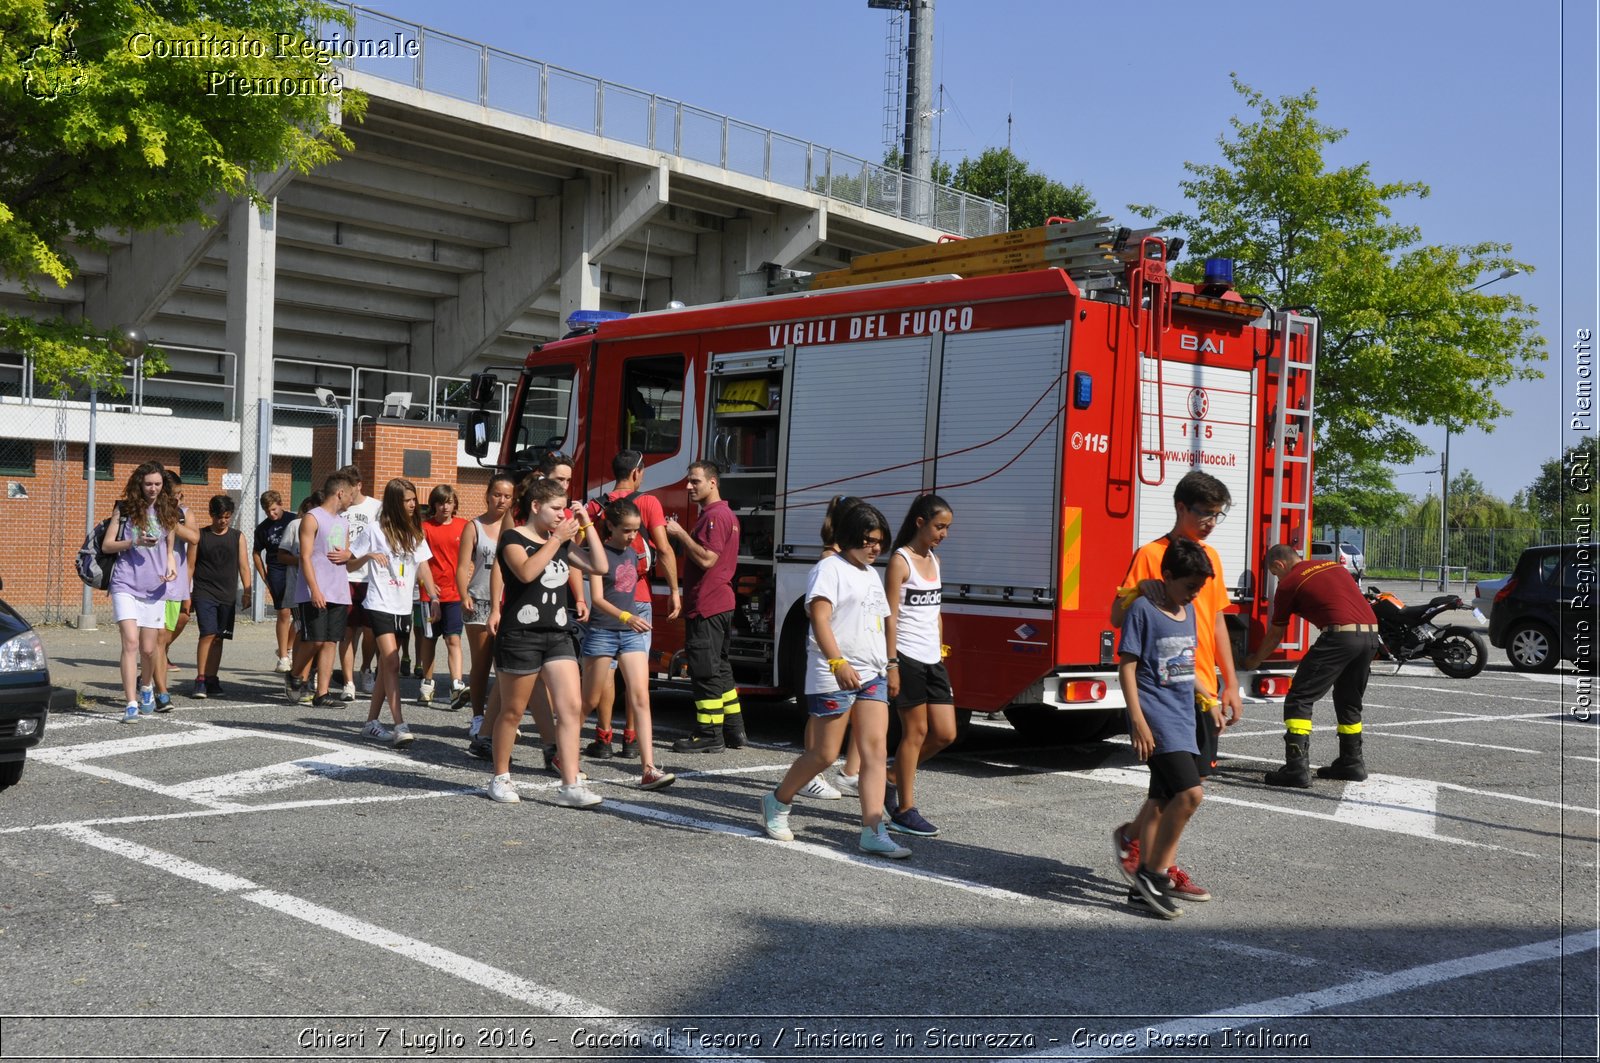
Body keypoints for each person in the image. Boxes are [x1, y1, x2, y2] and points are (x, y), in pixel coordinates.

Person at [1108, 470, 1240, 900]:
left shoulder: (1210, 559)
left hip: (1197, 690)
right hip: (1163, 693)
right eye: (1204, 513)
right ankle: (1157, 867)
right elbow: (1117, 615)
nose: (1210, 522)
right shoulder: (1152, 554)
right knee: (1181, 790)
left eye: (1217, 515)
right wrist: (1135, 595)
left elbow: (1217, 620)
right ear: (1181, 507)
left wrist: (1228, 683)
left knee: (1170, 790)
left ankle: (1138, 844)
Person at [758, 503, 908, 858]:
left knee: (875, 753)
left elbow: (884, 622)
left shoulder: (871, 573)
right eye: (868, 540)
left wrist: (891, 663)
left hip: (872, 673)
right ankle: (777, 802)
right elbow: (820, 620)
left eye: (880, 542)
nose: (875, 548)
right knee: (824, 753)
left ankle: (873, 829)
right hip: (834, 673)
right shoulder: (829, 569)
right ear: (849, 537)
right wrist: (837, 661)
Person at [484, 477, 607, 807]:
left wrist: (587, 524)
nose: (561, 514)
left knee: (569, 708)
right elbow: (526, 572)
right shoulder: (512, 538)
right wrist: (556, 540)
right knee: (512, 711)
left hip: (558, 634)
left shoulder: (564, 542)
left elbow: (600, 565)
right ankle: (500, 777)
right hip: (520, 635)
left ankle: (570, 784)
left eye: (564, 508)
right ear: (536, 507)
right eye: (555, 508)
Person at [1114, 537, 1215, 919]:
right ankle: (1152, 875)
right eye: (1189, 586)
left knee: (1160, 800)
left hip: (1183, 716)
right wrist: (1137, 721)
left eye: (1199, 588)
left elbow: (1184, 664)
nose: (1194, 595)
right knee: (1190, 794)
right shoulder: (1144, 609)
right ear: (1167, 576)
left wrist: (1208, 697)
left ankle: (1141, 880)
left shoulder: (1185, 611)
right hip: (1156, 717)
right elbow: (1127, 666)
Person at [1243, 543, 1382, 787]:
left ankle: (1296, 769)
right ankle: (1352, 763)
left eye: (1275, 574)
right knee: (1349, 700)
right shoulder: (1332, 566)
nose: (1278, 579)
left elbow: (1276, 634)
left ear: (1279, 564)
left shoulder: (1288, 584)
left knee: (1300, 697)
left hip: (1340, 637)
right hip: (1371, 636)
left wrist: (1253, 660)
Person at [580, 449, 682, 758]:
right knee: (638, 679)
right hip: (638, 598)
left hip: (604, 597)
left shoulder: (598, 505)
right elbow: (663, 549)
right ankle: (631, 739)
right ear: (637, 473)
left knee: (606, 674)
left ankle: (603, 737)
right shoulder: (648, 502)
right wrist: (675, 590)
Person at [882, 494, 957, 837]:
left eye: (947, 528)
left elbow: (936, 610)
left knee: (945, 733)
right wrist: (892, 662)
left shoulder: (935, 560)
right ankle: (904, 808)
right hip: (907, 656)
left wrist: (940, 648)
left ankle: (892, 776)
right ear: (920, 522)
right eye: (939, 527)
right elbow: (891, 616)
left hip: (932, 658)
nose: (944, 534)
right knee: (916, 732)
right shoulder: (901, 560)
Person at [349, 478, 441, 746]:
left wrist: (433, 596)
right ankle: (400, 724)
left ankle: (370, 723)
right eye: (408, 500)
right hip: (378, 603)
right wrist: (367, 558)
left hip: (403, 605)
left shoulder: (415, 532)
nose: (414, 505)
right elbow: (348, 563)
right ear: (394, 502)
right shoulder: (374, 530)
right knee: (390, 662)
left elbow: (423, 567)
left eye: (414, 500)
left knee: (387, 666)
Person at [664, 460, 743, 754]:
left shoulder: (714, 517)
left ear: (713, 483)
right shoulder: (725, 514)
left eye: (695, 481)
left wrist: (681, 534)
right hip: (719, 603)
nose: (688, 487)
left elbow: (708, 559)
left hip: (708, 604)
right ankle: (734, 730)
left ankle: (708, 734)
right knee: (720, 669)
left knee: (705, 671)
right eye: (688, 481)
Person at [103, 462, 179, 723]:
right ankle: (131, 703)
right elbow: (108, 545)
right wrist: (133, 541)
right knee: (131, 643)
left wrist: (172, 569)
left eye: (158, 484)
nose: (153, 488)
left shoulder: (168, 510)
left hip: (155, 588)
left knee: (149, 649)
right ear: (139, 484)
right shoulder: (124, 509)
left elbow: (169, 551)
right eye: (148, 484)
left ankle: (147, 687)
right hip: (125, 584)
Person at [456, 473, 516, 733]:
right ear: (487, 495)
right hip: (478, 598)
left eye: (507, 496)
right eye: (496, 494)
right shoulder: (474, 526)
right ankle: (478, 716)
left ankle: (503, 717)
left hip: (508, 601)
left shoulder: (516, 528)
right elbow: (461, 567)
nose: (501, 500)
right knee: (481, 662)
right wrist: (463, 594)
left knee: (505, 664)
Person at [292, 471, 355, 705]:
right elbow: (305, 557)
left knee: (330, 642)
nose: (352, 499)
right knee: (316, 640)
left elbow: (347, 556)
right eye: (350, 494)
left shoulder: (344, 522)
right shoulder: (313, 517)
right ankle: (295, 674)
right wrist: (315, 589)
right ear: (340, 493)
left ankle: (322, 694)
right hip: (316, 591)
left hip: (338, 590)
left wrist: (350, 554)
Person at [189, 494, 252, 699]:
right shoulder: (200, 536)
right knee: (207, 633)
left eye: (227, 517)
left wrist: (247, 591)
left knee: (219, 637)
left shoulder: (237, 537)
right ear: (211, 515)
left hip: (227, 594)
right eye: (219, 517)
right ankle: (200, 679)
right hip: (204, 592)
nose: (223, 521)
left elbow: (244, 565)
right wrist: (186, 594)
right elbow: (190, 566)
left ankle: (212, 678)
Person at [147, 468, 197, 712]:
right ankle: (161, 692)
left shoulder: (184, 514)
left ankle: (150, 679)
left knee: (163, 640)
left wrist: (172, 522)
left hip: (174, 586)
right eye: (175, 494)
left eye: (181, 494)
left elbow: (195, 538)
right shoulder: (148, 513)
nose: (180, 498)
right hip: (151, 584)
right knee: (156, 641)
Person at [417, 484, 467, 708]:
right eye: (440, 502)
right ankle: (427, 683)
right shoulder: (425, 527)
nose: (445, 506)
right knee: (429, 639)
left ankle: (457, 684)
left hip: (455, 594)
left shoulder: (465, 526)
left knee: (453, 638)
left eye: (449, 502)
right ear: (434, 505)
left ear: (455, 503)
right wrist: (428, 588)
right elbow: (421, 562)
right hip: (431, 594)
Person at [338, 466, 381, 702]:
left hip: (370, 578)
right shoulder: (339, 509)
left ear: (359, 485)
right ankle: (348, 682)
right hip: (344, 578)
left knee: (371, 631)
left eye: (349, 487)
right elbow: (334, 543)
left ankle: (366, 669)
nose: (346, 492)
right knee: (347, 631)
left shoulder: (376, 507)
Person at [277, 491, 321, 700]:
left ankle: (308, 677)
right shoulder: (296, 526)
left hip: (325, 591)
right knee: (304, 632)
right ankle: (298, 678)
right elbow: (281, 555)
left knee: (320, 637)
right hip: (299, 590)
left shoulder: (332, 526)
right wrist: (302, 561)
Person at [252, 490, 296, 672]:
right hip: (276, 570)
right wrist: (264, 576)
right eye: (267, 511)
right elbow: (256, 553)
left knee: (299, 614)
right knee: (284, 612)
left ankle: (287, 648)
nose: (272, 514)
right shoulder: (263, 528)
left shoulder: (294, 520)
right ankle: (284, 658)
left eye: (274, 509)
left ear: (280, 503)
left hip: (294, 566)